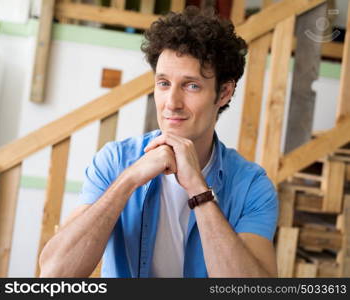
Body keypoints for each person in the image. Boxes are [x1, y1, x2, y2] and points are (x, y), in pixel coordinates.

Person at [39, 6, 278, 278]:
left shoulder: (252, 186)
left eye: (191, 86)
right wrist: (128, 181)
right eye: (163, 83)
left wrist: (198, 189)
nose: (171, 103)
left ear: (224, 92)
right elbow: (54, 274)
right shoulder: (116, 161)